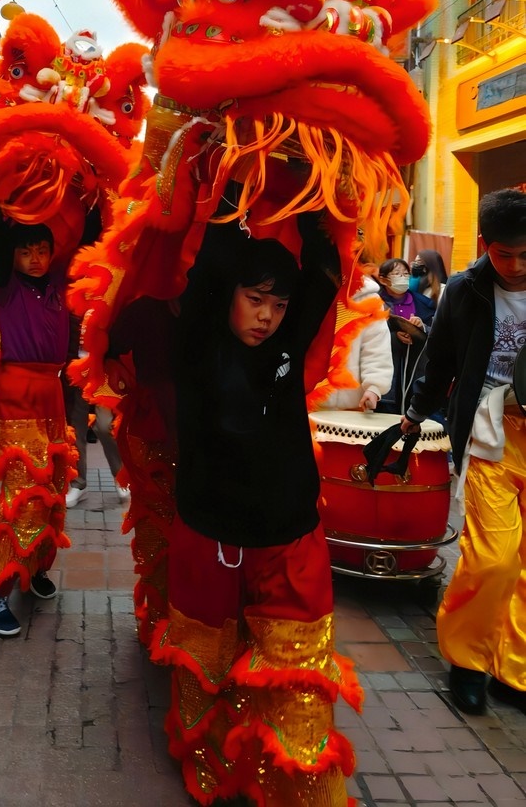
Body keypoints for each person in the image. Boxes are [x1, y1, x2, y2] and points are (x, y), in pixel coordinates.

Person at [118, 211, 359, 806]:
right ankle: (216, 775)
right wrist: (228, 197)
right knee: (205, 673)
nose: (266, 317)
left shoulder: (284, 347)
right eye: (255, 300)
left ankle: (295, 784)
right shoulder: (195, 349)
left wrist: (310, 205)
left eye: (278, 306)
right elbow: (211, 269)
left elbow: (323, 276)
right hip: (211, 539)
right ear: (228, 296)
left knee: (300, 679)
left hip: (289, 538)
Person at [402, 187, 526, 717]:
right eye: (505, 254)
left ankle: (512, 668)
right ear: (484, 244)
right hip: (489, 434)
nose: (517, 266)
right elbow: (440, 358)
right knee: (493, 558)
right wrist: (412, 413)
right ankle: (468, 660)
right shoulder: (465, 290)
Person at [0, 214, 73, 637]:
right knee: (25, 493)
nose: (35, 259)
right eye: (26, 251)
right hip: (18, 392)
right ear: (11, 257)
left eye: (42, 251)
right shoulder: (6, 286)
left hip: (52, 390)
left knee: (54, 485)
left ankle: (31, 567)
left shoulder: (57, 286)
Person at [65, 315, 130, 506]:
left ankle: (120, 475)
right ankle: (78, 483)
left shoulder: (106, 294)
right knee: (76, 427)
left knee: (104, 426)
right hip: (76, 370)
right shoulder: (71, 297)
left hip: (103, 370)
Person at [318, 271, 393, 412]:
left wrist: (374, 387)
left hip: (353, 406)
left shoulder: (368, 299)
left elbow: (376, 348)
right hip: (308, 404)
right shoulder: (307, 292)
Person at [376, 258, 428, 414]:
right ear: (383, 279)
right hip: (386, 367)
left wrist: (421, 327)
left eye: (406, 274)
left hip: (414, 368)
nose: (402, 277)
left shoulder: (423, 303)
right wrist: (394, 336)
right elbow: (368, 333)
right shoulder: (374, 302)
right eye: (397, 273)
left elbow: (436, 332)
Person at [408, 247, 448, 326]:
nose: (415, 265)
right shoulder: (413, 286)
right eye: (415, 262)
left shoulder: (443, 290)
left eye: (419, 262)